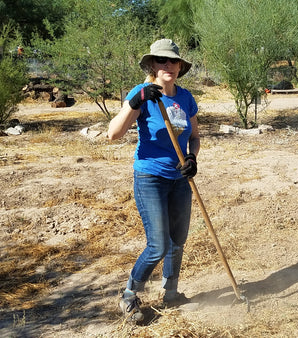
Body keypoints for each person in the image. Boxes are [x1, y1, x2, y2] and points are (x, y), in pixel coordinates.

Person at [107, 39, 200, 322]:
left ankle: (170, 293)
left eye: (173, 61)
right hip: (150, 177)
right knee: (158, 244)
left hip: (179, 179)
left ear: (180, 66)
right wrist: (137, 101)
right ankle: (129, 295)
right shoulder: (143, 94)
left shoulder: (185, 98)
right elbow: (114, 133)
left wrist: (192, 159)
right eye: (161, 60)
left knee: (177, 240)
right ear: (152, 65)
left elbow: (194, 138)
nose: (167, 65)